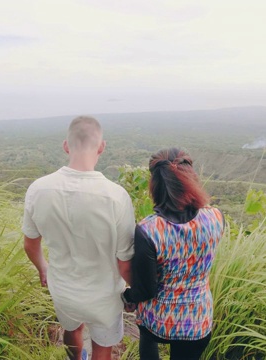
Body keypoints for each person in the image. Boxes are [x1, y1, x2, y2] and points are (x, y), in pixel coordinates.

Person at [22, 116, 135, 360]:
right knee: (102, 346)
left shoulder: (38, 189)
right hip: (104, 296)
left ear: (66, 145)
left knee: (71, 328)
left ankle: (76, 358)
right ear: (102, 146)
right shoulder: (116, 197)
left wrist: (43, 267)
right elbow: (125, 261)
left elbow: (30, 243)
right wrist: (135, 291)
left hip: (63, 288)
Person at [121, 148, 224, 360]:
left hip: (158, 321)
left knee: (147, 336)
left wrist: (128, 297)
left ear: (156, 185)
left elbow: (147, 290)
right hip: (197, 319)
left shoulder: (149, 230)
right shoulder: (215, 217)